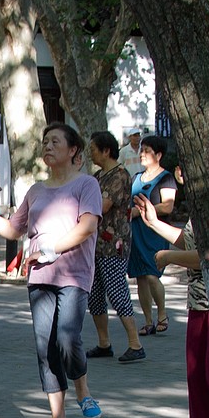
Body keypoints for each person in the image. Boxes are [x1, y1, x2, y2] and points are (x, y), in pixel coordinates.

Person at [0, 124, 105, 418]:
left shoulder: (86, 184)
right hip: (40, 278)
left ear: (73, 150)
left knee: (67, 338)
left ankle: (83, 391)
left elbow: (87, 227)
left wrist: (49, 250)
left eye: (55, 141)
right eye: (45, 142)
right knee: (46, 347)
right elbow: (12, 230)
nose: (48, 146)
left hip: (73, 275)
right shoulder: (36, 191)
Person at [133, 181, 209, 418]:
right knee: (198, 377)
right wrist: (154, 223)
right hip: (198, 304)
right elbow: (190, 242)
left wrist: (169, 257)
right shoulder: (201, 206)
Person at [83, 131, 145, 362]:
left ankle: (135, 344)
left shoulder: (120, 175)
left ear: (106, 150)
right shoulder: (98, 176)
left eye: (93, 149)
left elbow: (102, 205)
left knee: (117, 292)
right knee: (94, 295)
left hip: (113, 244)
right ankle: (104, 343)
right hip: (95, 244)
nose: (90, 154)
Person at [126, 136, 177, 335]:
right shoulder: (136, 178)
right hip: (136, 233)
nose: (142, 154)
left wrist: (142, 211)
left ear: (159, 155)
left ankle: (162, 314)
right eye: (142, 150)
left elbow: (168, 206)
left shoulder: (166, 178)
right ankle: (148, 321)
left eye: (147, 151)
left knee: (152, 274)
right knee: (140, 277)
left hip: (155, 232)